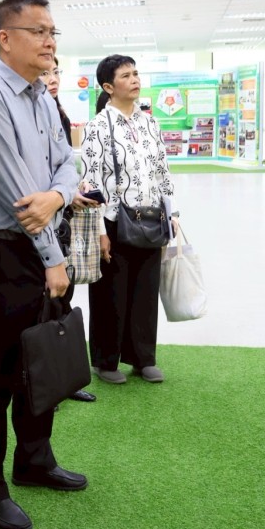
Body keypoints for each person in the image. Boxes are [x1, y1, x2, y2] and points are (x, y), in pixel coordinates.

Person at [0, 0, 88, 529]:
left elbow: (68, 165)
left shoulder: (40, 97)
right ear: (5, 38)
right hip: (5, 252)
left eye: (53, 32)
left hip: (42, 241)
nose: (50, 42)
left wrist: (57, 196)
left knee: (42, 359)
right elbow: (18, 198)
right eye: (39, 31)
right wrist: (53, 259)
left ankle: (34, 459)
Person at [80, 55, 179, 385]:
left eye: (136, 73)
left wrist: (172, 213)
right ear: (108, 87)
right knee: (110, 293)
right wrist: (99, 230)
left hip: (151, 217)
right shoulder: (98, 126)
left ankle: (143, 359)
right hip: (112, 220)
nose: (135, 79)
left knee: (146, 291)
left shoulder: (150, 123)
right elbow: (92, 180)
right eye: (126, 75)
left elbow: (162, 170)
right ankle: (105, 361)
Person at [40, 60, 96, 404]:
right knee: (44, 306)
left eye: (55, 72)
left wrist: (71, 188)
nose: (52, 79)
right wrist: (63, 193)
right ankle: (44, 381)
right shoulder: (25, 111)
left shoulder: (56, 111)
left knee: (63, 300)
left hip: (60, 222)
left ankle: (62, 379)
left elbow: (62, 164)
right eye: (44, 73)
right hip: (38, 224)